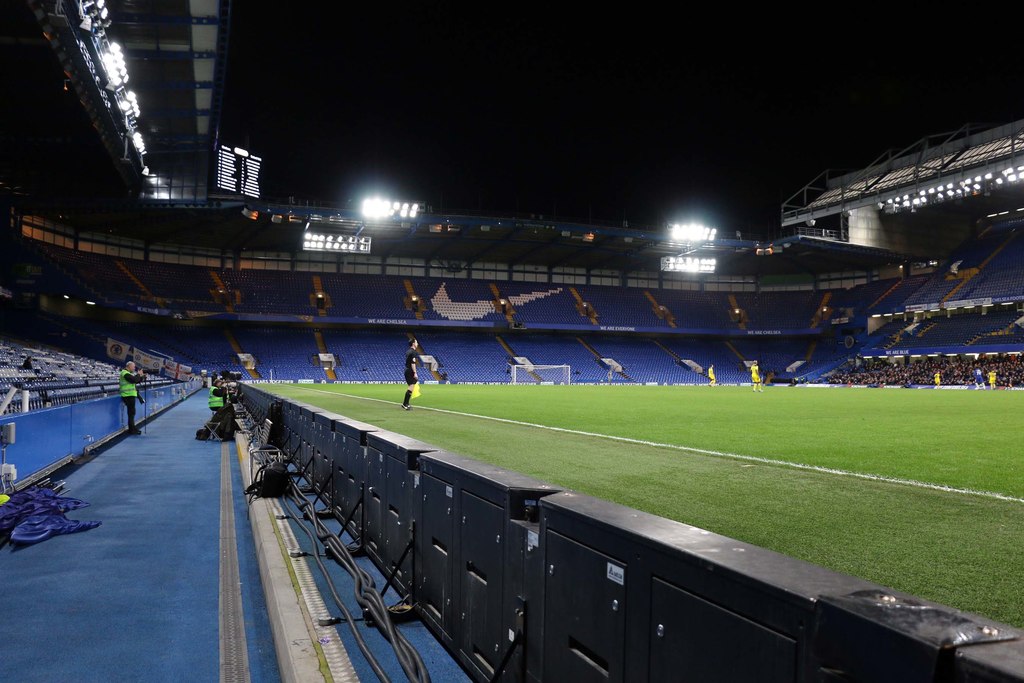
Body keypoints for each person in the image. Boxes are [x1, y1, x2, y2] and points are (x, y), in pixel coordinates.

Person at [119, 360, 146, 435]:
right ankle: (132, 429)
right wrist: (138, 374)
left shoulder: (129, 373)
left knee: (132, 413)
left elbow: (136, 381)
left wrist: (142, 376)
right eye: (133, 366)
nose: (134, 368)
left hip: (130, 395)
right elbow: (134, 379)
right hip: (127, 395)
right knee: (131, 413)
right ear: (129, 366)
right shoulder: (124, 373)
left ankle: (132, 428)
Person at [402, 338, 419, 410]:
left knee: (411, 387)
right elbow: (413, 363)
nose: (417, 343)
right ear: (413, 343)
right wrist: (415, 373)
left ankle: (406, 403)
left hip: (406, 370)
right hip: (410, 371)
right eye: (416, 342)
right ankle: (405, 404)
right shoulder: (413, 352)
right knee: (411, 387)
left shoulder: (408, 351)